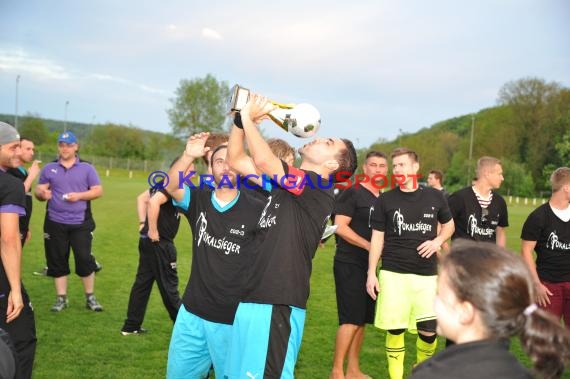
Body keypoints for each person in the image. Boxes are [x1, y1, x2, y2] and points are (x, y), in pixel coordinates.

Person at [225, 94, 358, 378]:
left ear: (333, 166)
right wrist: (239, 120)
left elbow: (262, 159)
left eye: (329, 143)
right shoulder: (289, 182)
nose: (319, 138)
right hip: (252, 296)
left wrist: (250, 117)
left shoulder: (317, 187)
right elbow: (236, 160)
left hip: (278, 302)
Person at [165, 134, 266, 379]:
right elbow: (170, 187)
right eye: (220, 161)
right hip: (192, 315)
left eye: (232, 160)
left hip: (233, 318)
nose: (226, 166)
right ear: (211, 167)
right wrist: (189, 154)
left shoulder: (257, 207)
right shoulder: (199, 199)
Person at [410, 240, 570, 379]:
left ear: (465, 312)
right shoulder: (519, 372)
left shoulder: (432, 374)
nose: (434, 301)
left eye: (440, 295)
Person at [366, 147, 454, 379]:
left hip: (427, 276)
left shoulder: (435, 196)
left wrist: (438, 242)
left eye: (402, 165)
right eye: (394, 166)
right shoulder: (385, 199)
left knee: (429, 332)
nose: (397, 170)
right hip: (393, 274)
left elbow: (450, 225)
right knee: (395, 329)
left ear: (416, 167)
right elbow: (377, 238)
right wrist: (371, 273)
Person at [330, 151, 388, 379]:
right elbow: (340, 226)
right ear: (365, 168)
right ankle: (336, 372)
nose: (378, 169)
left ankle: (353, 370)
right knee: (350, 319)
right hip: (349, 263)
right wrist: (369, 246)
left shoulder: (382, 197)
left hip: (370, 268)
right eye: (373, 165)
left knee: (362, 320)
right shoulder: (352, 192)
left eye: (382, 166)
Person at [34, 131, 104, 312]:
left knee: (84, 259)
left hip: (80, 222)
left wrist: (79, 196)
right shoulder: (49, 168)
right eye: (61, 145)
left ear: (76, 147)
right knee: (57, 261)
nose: (65, 148)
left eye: (69, 145)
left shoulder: (87, 168)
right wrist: (42, 194)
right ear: (58, 147)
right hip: (54, 222)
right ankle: (61, 299)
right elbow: (39, 190)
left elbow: (97, 191)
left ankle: (90, 298)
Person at [120, 159, 187, 335]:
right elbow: (151, 202)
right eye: (189, 168)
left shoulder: (164, 183)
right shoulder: (171, 185)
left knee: (142, 283)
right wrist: (153, 230)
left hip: (148, 242)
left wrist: (143, 223)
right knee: (169, 287)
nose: (191, 173)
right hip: (160, 243)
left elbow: (141, 198)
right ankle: (185, 329)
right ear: (176, 168)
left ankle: (131, 326)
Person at [0, 121, 37, 379]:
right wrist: (15, 289)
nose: (18, 152)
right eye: (13, 147)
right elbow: (9, 238)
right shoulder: (11, 185)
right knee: (22, 338)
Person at [521, 167, 570, 326]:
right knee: (547, 338)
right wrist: (537, 284)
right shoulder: (538, 217)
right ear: (566, 188)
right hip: (548, 286)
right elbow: (526, 251)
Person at [447, 156, 508, 246]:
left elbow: (500, 232)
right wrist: (449, 254)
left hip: (488, 258)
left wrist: (499, 256)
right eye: (499, 174)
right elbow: (441, 227)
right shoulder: (458, 198)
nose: (502, 178)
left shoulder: (500, 202)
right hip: (462, 258)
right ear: (487, 174)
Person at [6, 137, 41, 247]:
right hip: (11, 227)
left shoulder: (23, 171)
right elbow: (17, 195)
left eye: (33, 149)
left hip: (21, 226)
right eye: (28, 149)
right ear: (17, 149)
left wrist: (26, 227)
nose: (32, 153)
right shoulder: (9, 170)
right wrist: (31, 176)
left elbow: (24, 201)